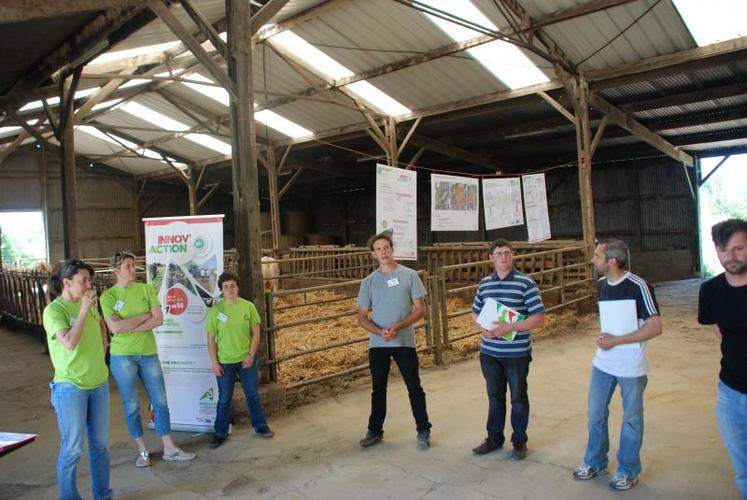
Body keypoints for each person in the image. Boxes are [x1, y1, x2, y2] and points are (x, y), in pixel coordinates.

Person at [573, 239, 662, 491]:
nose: (593, 259)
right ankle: (595, 461)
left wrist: (618, 340)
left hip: (631, 365)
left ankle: (627, 469)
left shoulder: (638, 286)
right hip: (603, 361)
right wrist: (606, 339)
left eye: (597, 255)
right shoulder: (602, 285)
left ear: (612, 261)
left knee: (632, 418)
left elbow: (655, 327)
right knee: (595, 413)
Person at [100, 251, 195, 467]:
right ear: (117, 270)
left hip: (148, 352)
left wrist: (131, 326)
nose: (134, 270)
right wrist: (144, 317)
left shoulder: (146, 289)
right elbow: (114, 326)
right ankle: (142, 450)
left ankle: (169, 446)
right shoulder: (108, 296)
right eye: (128, 266)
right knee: (131, 403)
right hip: (122, 356)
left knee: (160, 399)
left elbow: (159, 318)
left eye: (134, 266)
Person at [42, 259, 113, 500]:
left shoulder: (90, 305)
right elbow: (70, 343)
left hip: (99, 383)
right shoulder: (54, 311)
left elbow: (102, 327)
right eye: (84, 281)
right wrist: (83, 310)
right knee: (72, 449)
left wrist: (101, 355)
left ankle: (103, 495)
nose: (88, 285)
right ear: (67, 282)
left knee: (101, 447)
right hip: (70, 387)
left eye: (89, 280)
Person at [471, 239, 545, 460]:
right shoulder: (484, 284)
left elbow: (539, 318)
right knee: (495, 397)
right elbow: (474, 312)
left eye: (507, 252)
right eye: (499, 253)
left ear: (512, 255)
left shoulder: (526, 283)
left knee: (518, 398)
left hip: (517, 354)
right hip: (489, 352)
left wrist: (511, 327)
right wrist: (482, 327)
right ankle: (494, 439)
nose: (503, 256)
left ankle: (519, 441)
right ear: (490, 258)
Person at [357, 232, 432, 448]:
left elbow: (420, 310)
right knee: (378, 388)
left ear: (392, 250)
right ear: (373, 254)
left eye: (387, 248)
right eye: (379, 249)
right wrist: (379, 332)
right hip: (379, 343)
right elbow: (361, 316)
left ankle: (423, 428)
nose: (384, 252)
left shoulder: (409, 275)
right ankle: (374, 430)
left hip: (404, 341)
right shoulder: (369, 282)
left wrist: (399, 326)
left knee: (414, 386)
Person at [698, 218, 747, 498]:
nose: (731, 257)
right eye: (724, 249)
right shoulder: (711, 290)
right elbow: (719, 329)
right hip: (731, 394)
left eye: (739, 248)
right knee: (743, 468)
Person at [206, 271, 273, 449]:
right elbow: (210, 339)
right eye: (226, 287)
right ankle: (220, 432)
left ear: (238, 287)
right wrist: (214, 362)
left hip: (246, 360)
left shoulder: (248, 307)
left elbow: (256, 331)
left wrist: (251, 355)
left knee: (252, 394)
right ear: (221, 289)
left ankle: (261, 426)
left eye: (233, 286)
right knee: (224, 398)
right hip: (224, 362)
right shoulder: (216, 311)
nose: (230, 290)